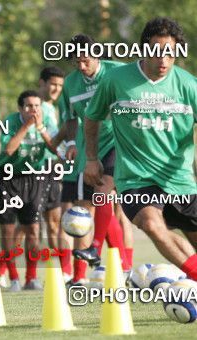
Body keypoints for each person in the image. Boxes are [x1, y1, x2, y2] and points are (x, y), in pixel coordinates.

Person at [84, 17, 197, 281]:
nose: (163, 61)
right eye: (157, 52)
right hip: (136, 179)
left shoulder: (189, 86)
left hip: (179, 180)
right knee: (152, 224)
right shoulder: (116, 80)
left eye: (170, 53)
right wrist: (91, 158)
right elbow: (92, 116)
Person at [58, 34, 130, 286]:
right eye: (76, 61)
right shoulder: (70, 84)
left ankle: (97, 250)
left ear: (96, 54)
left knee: (103, 192)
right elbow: (69, 118)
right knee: (85, 207)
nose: (81, 66)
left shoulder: (118, 72)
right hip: (89, 150)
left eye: (85, 60)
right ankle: (82, 275)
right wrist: (69, 143)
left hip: (120, 143)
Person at [0, 90, 58, 291]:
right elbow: (8, 150)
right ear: (20, 108)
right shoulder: (11, 121)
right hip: (9, 179)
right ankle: (13, 277)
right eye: (29, 106)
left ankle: (31, 278)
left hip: (35, 177)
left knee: (33, 229)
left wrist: (40, 128)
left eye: (37, 106)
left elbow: (57, 149)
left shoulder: (46, 120)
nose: (34, 110)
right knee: (8, 231)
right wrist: (26, 126)